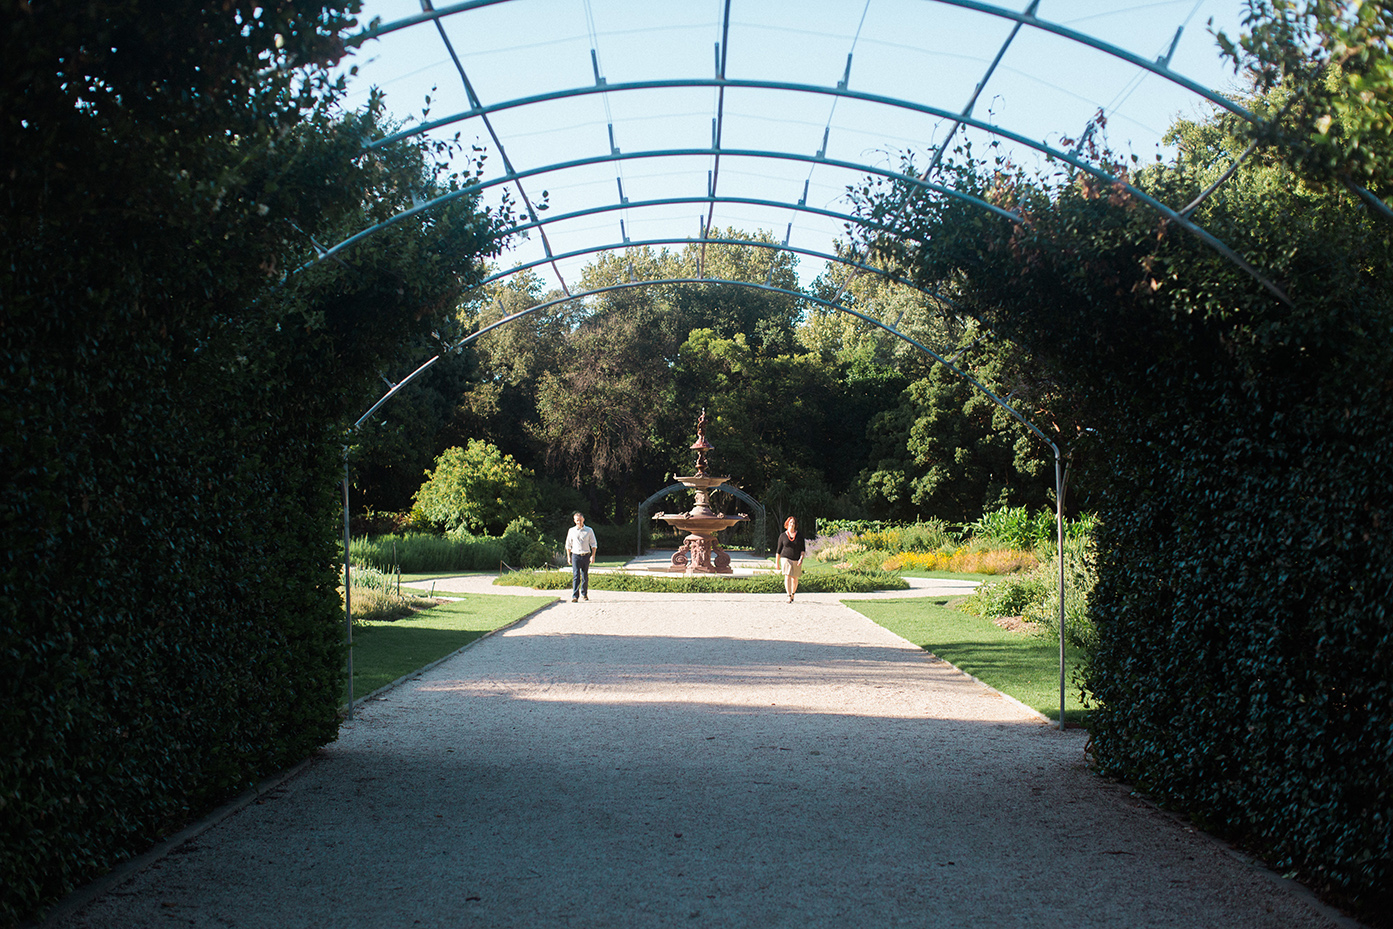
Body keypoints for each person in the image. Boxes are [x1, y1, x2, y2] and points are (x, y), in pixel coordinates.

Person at [565, 511, 598, 602]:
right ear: (574, 521)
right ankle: (575, 596)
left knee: (584, 575)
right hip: (575, 555)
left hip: (585, 555)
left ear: (583, 519)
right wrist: (568, 556)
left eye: (580, 520)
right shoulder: (571, 531)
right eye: (577, 520)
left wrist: (593, 556)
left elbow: (593, 544)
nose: (579, 522)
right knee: (576, 575)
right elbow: (568, 545)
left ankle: (584, 593)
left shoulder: (589, 530)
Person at [774, 515, 806, 603]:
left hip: (796, 559)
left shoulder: (799, 536)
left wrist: (801, 558)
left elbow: (803, 549)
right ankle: (788, 595)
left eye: (794, 523)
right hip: (785, 558)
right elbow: (778, 550)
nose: (792, 524)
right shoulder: (783, 536)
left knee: (795, 578)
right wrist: (777, 563)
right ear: (787, 524)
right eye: (791, 522)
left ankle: (792, 594)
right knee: (787, 575)